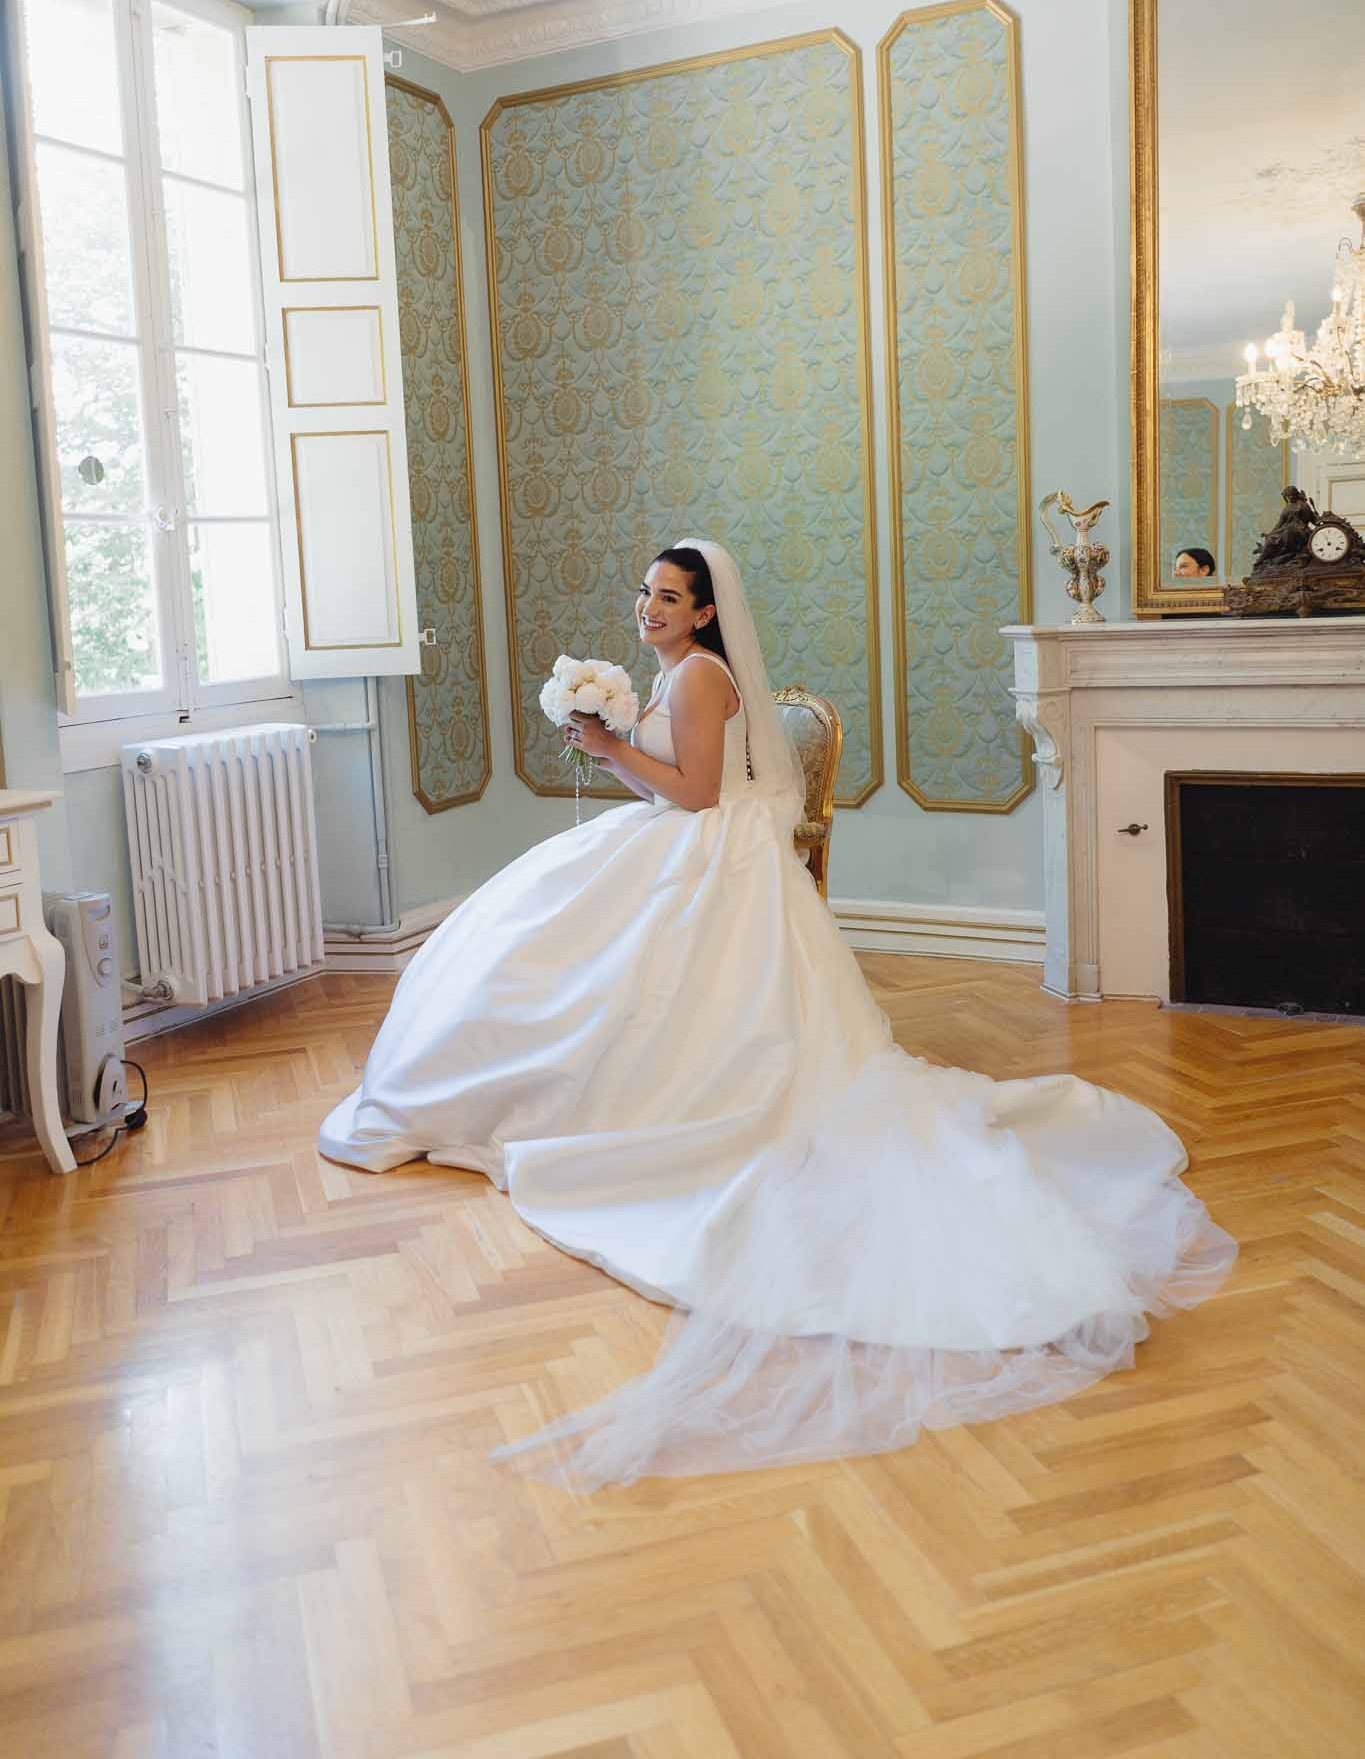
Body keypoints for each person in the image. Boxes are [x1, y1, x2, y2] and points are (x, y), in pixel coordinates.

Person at [320, 539, 1236, 1486]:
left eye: (669, 599)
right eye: (645, 594)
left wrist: (608, 747)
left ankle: (580, 1100)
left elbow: (695, 794)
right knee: (530, 928)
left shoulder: (696, 680)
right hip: (691, 843)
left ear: (706, 613)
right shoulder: (680, 670)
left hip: (703, 851)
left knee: (561, 946)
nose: (649, 609)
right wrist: (615, 735)